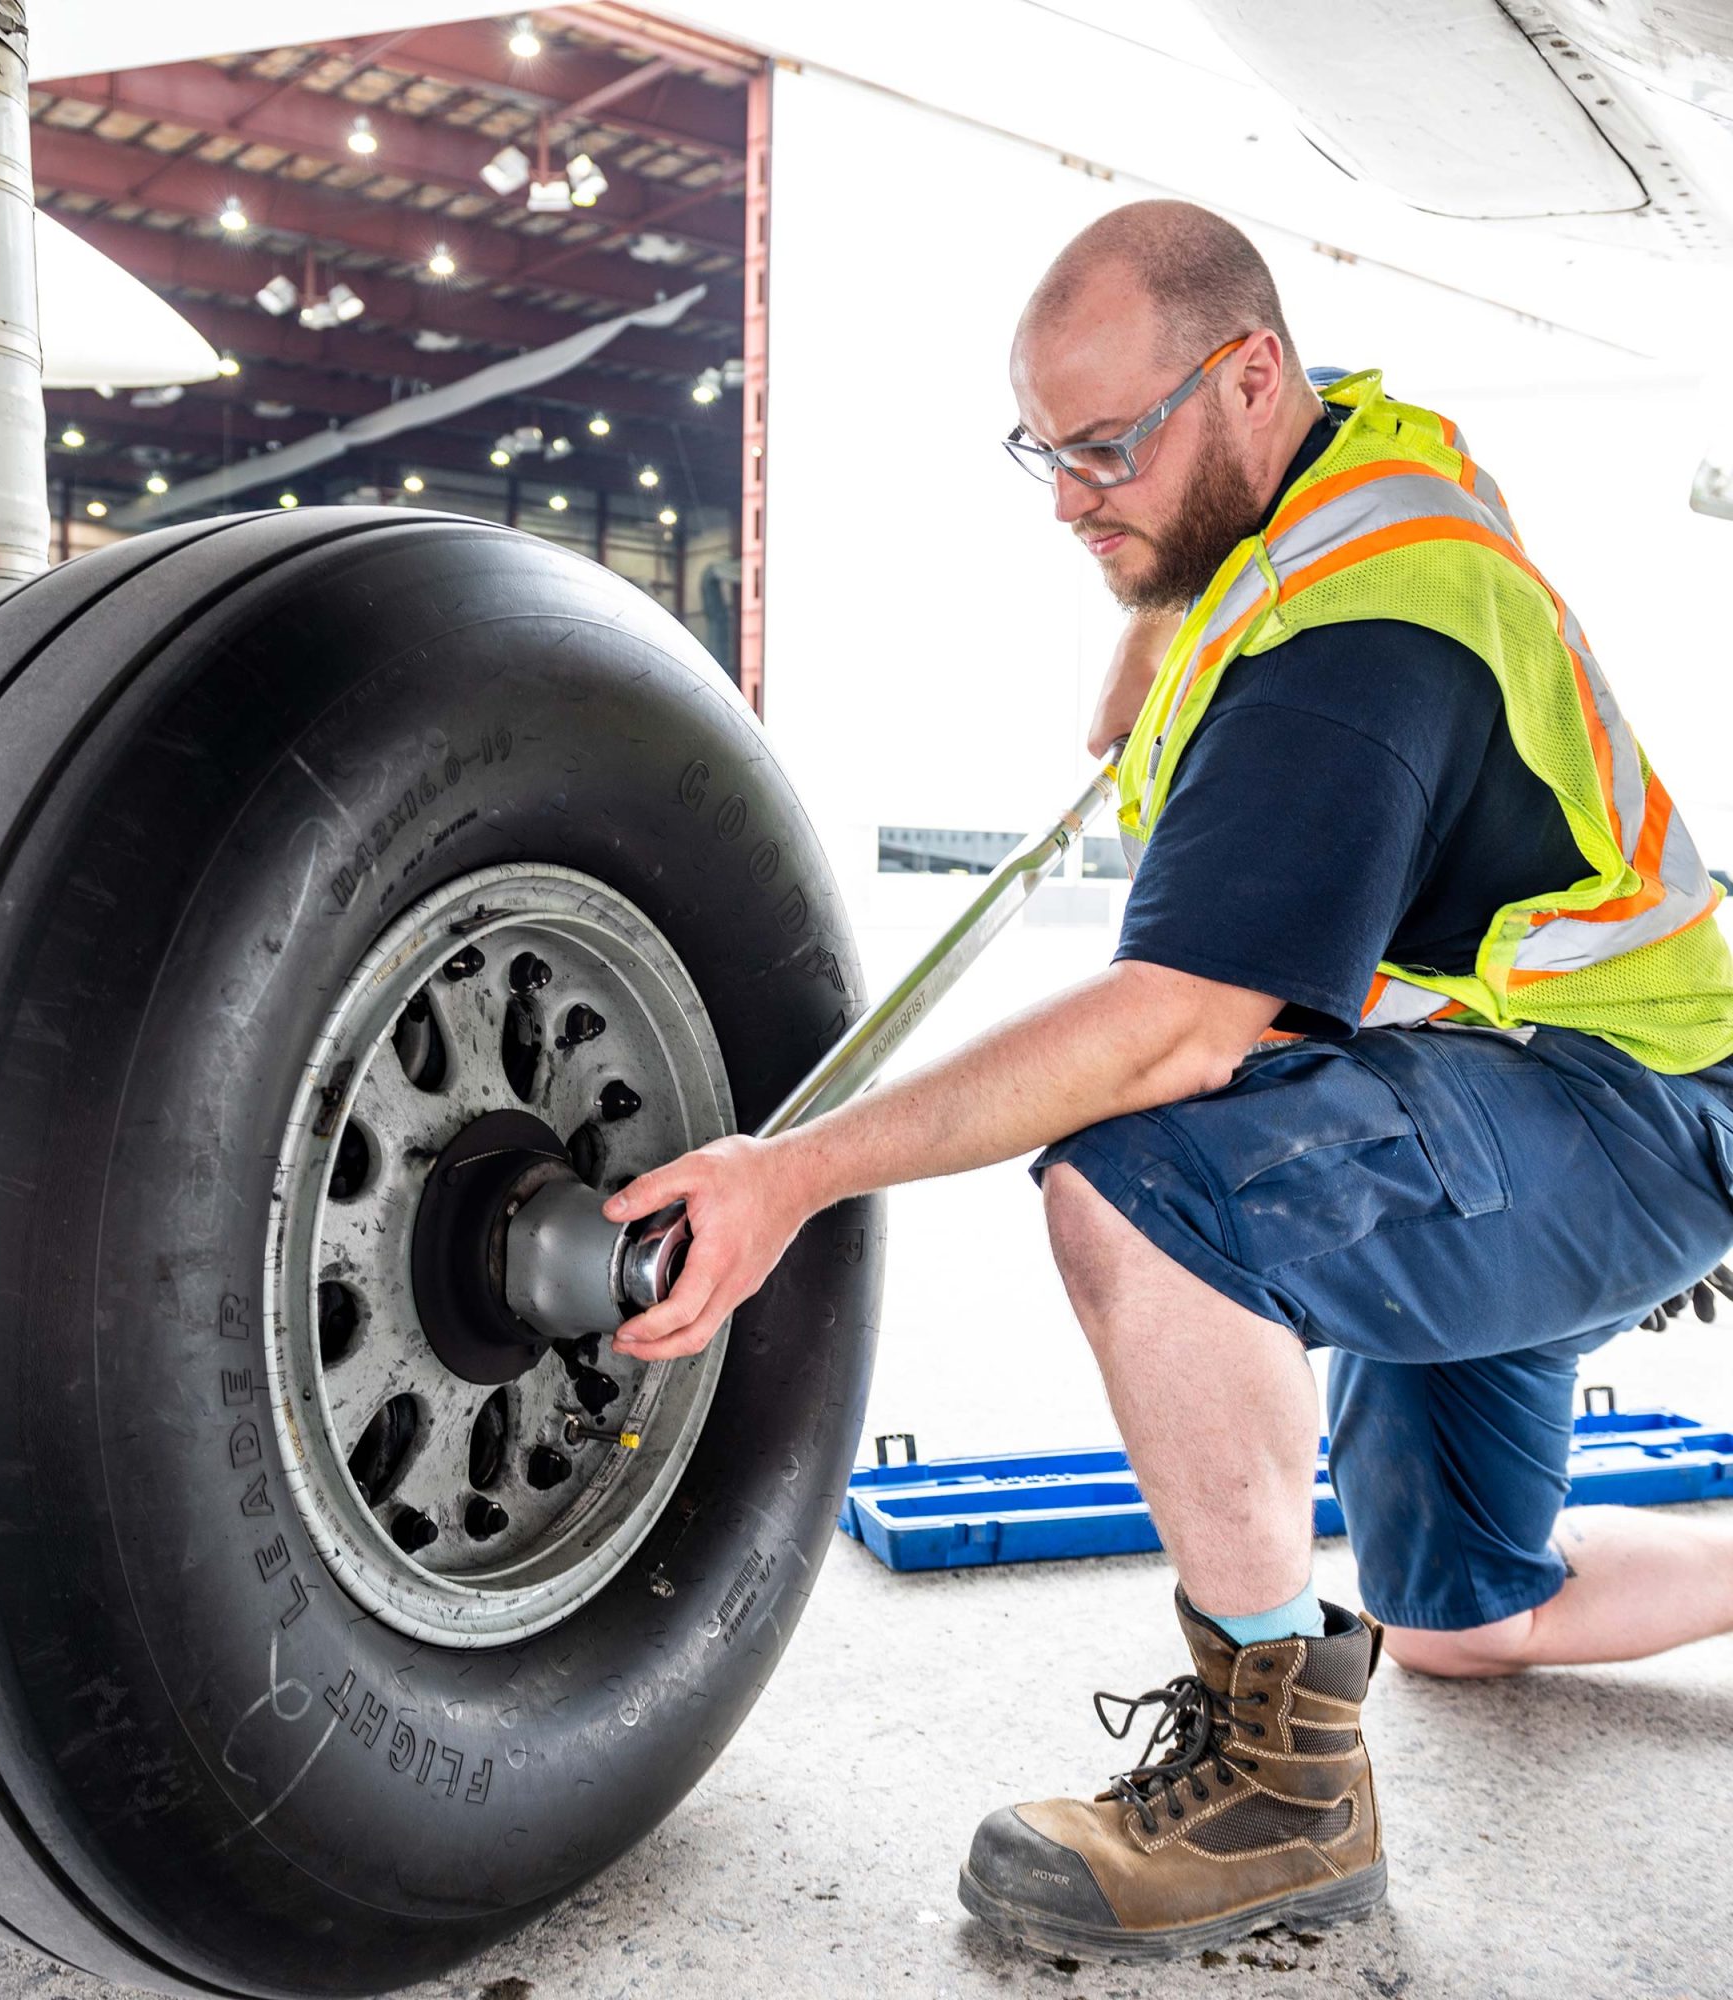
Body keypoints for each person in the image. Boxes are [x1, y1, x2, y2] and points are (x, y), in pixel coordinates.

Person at [596, 198, 1733, 1960]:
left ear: (1244, 374)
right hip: (1510, 1073)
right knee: (1460, 1621)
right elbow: (1323, 464)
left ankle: (1282, 1792)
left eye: (1109, 447)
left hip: (1624, 1099)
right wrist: (1163, 598)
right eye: (1044, 452)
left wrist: (795, 1171)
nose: (1071, 498)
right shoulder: (1341, 461)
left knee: (1141, 1187)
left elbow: (1179, 1027)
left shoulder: (1359, 651)